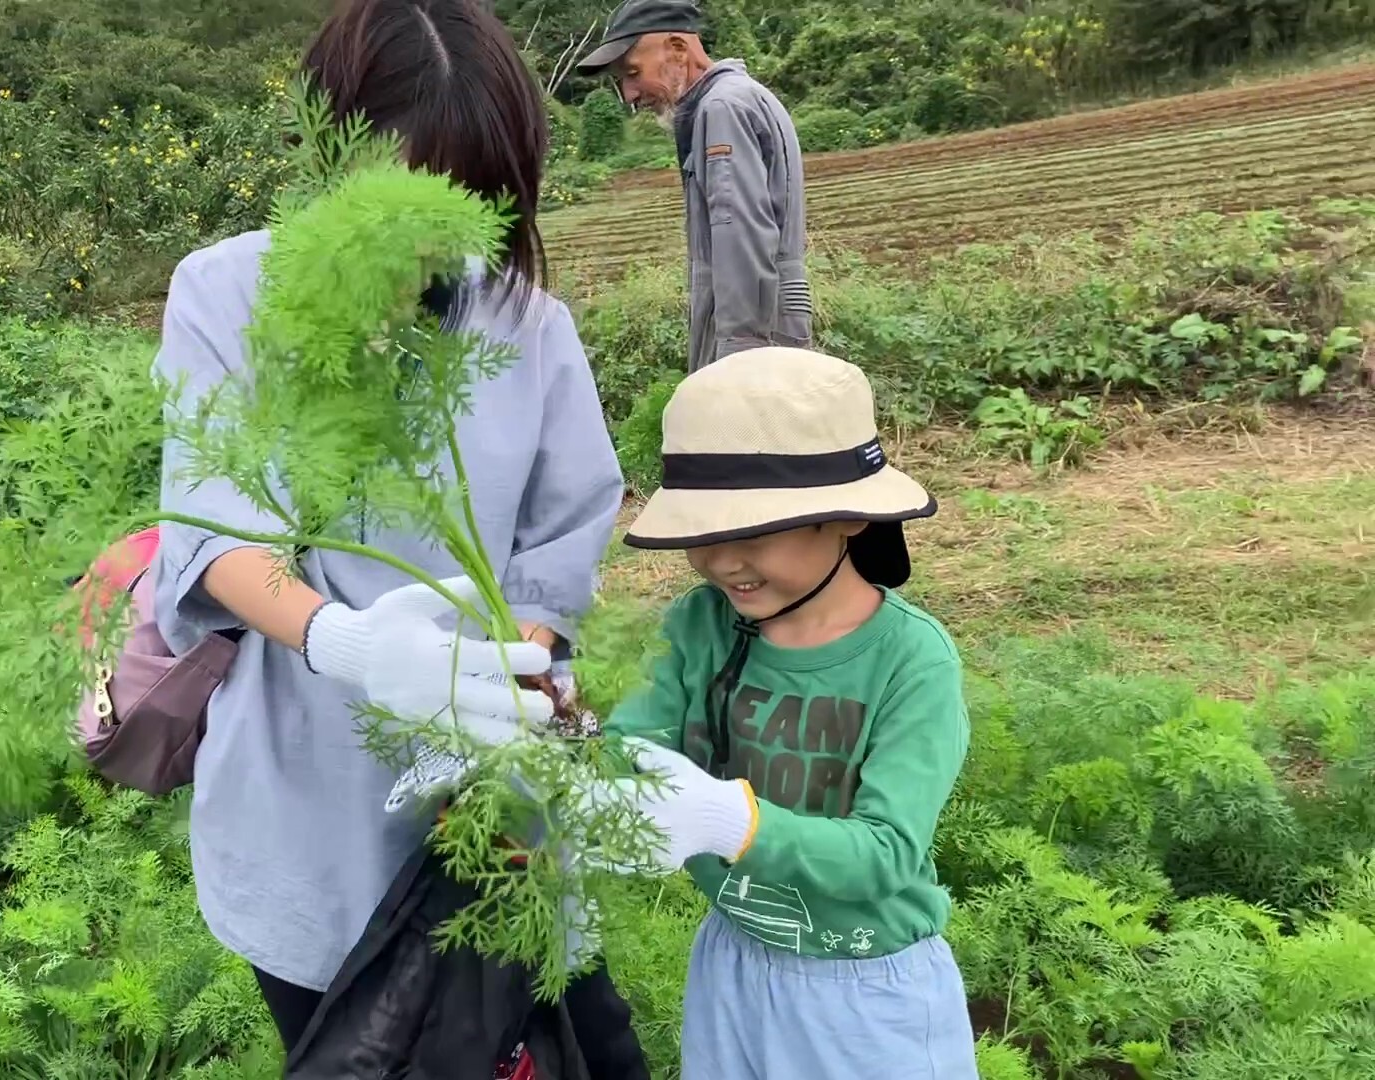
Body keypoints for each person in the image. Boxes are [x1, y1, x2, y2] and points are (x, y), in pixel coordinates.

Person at [150, 0, 647, 1073]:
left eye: (474, 194)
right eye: (409, 192)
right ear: (333, 156)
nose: (440, 234)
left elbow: (563, 532)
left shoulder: (527, 323)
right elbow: (214, 529)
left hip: (491, 795)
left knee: (533, 1033)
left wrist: (517, 667)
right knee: (349, 1045)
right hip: (307, 784)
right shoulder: (227, 293)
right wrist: (353, 644)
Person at [585, 346, 981, 1079]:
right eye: (702, 536)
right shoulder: (698, 625)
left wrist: (734, 823)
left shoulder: (910, 661)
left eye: (753, 533)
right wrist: (553, 753)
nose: (722, 561)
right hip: (733, 953)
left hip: (863, 987)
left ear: (849, 519)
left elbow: (885, 854)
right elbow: (630, 745)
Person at [575, 0, 812, 370]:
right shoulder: (742, 96)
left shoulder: (721, 109)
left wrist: (737, 358)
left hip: (752, 337)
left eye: (633, 72)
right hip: (772, 327)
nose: (629, 95)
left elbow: (741, 235)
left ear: (678, 49)